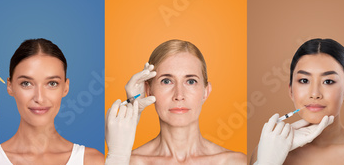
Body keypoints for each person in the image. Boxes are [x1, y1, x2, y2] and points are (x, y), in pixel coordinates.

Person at [104, 39, 246, 164]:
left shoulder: (236, 162)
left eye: (191, 81)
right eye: (167, 81)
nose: (179, 95)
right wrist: (117, 157)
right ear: (148, 90)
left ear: (206, 91)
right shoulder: (128, 161)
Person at [0, 38, 104, 165]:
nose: (39, 98)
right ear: (10, 86)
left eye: (52, 83)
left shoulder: (92, 161)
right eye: (26, 83)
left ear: (65, 87)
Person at [254, 38, 344, 164]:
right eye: (304, 80)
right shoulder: (268, 150)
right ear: (291, 90)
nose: (315, 94)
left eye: (328, 81)